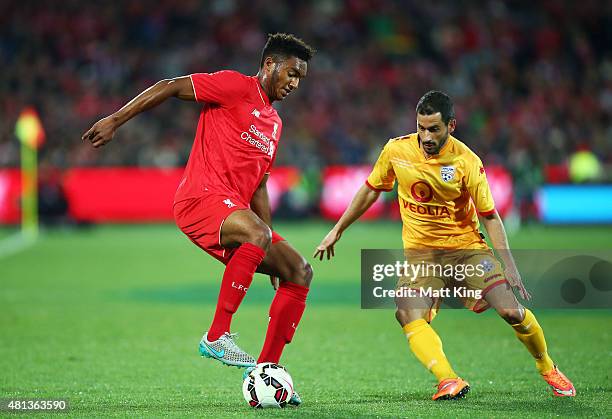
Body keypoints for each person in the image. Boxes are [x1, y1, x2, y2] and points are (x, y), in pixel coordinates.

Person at [83, 33, 315, 405]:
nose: (294, 84)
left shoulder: (274, 123)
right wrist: (115, 119)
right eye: (291, 73)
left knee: (300, 272)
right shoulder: (234, 86)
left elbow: (258, 188)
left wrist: (271, 239)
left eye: (300, 78)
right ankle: (216, 336)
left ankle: (266, 370)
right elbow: (170, 86)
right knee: (257, 235)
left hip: (235, 213)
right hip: (199, 200)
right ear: (270, 65)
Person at [314, 91, 575, 400]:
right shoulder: (396, 150)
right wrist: (338, 230)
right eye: (421, 127)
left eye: (433, 129)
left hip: (467, 249)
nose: (425, 135)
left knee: (511, 311)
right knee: (408, 312)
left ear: (451, 125)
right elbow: (372, 189)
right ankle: (448, 380)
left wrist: (510, 265)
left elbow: (489, 216)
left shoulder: (466, 161)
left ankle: (546, 366)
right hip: (422, 254)